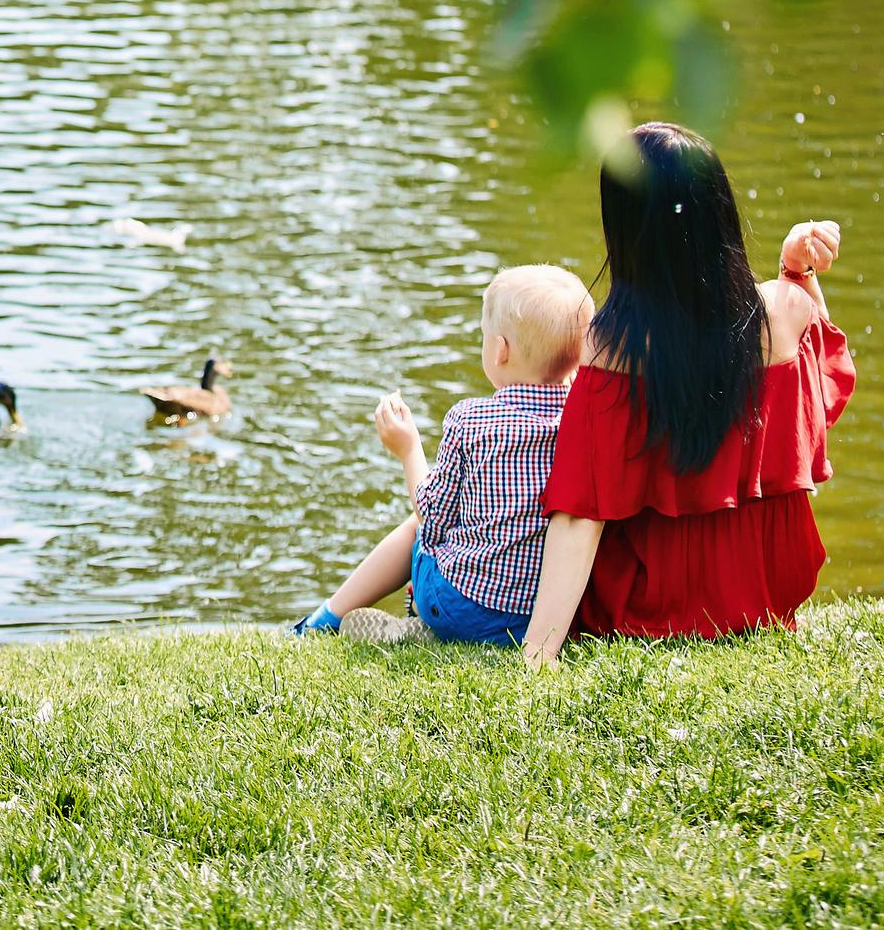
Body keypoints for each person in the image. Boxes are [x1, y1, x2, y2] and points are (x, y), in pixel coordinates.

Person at [522, 121, 852, 668]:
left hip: (649, 607)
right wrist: (796, 272)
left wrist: (539, 654)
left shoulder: (612, 345)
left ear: (626, 231)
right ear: (719, 213)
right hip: (761, 598)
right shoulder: (781, 313)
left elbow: (583, 513)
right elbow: (821, 394)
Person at [294, 264, 597, 644]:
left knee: (415, 527)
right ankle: (416, 623)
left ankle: (322, 621)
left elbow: (432, 519)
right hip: (539, 615)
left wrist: (407, 449)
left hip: (460, 604)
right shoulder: (584, 423)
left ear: (500, 350)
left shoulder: (470, 420)